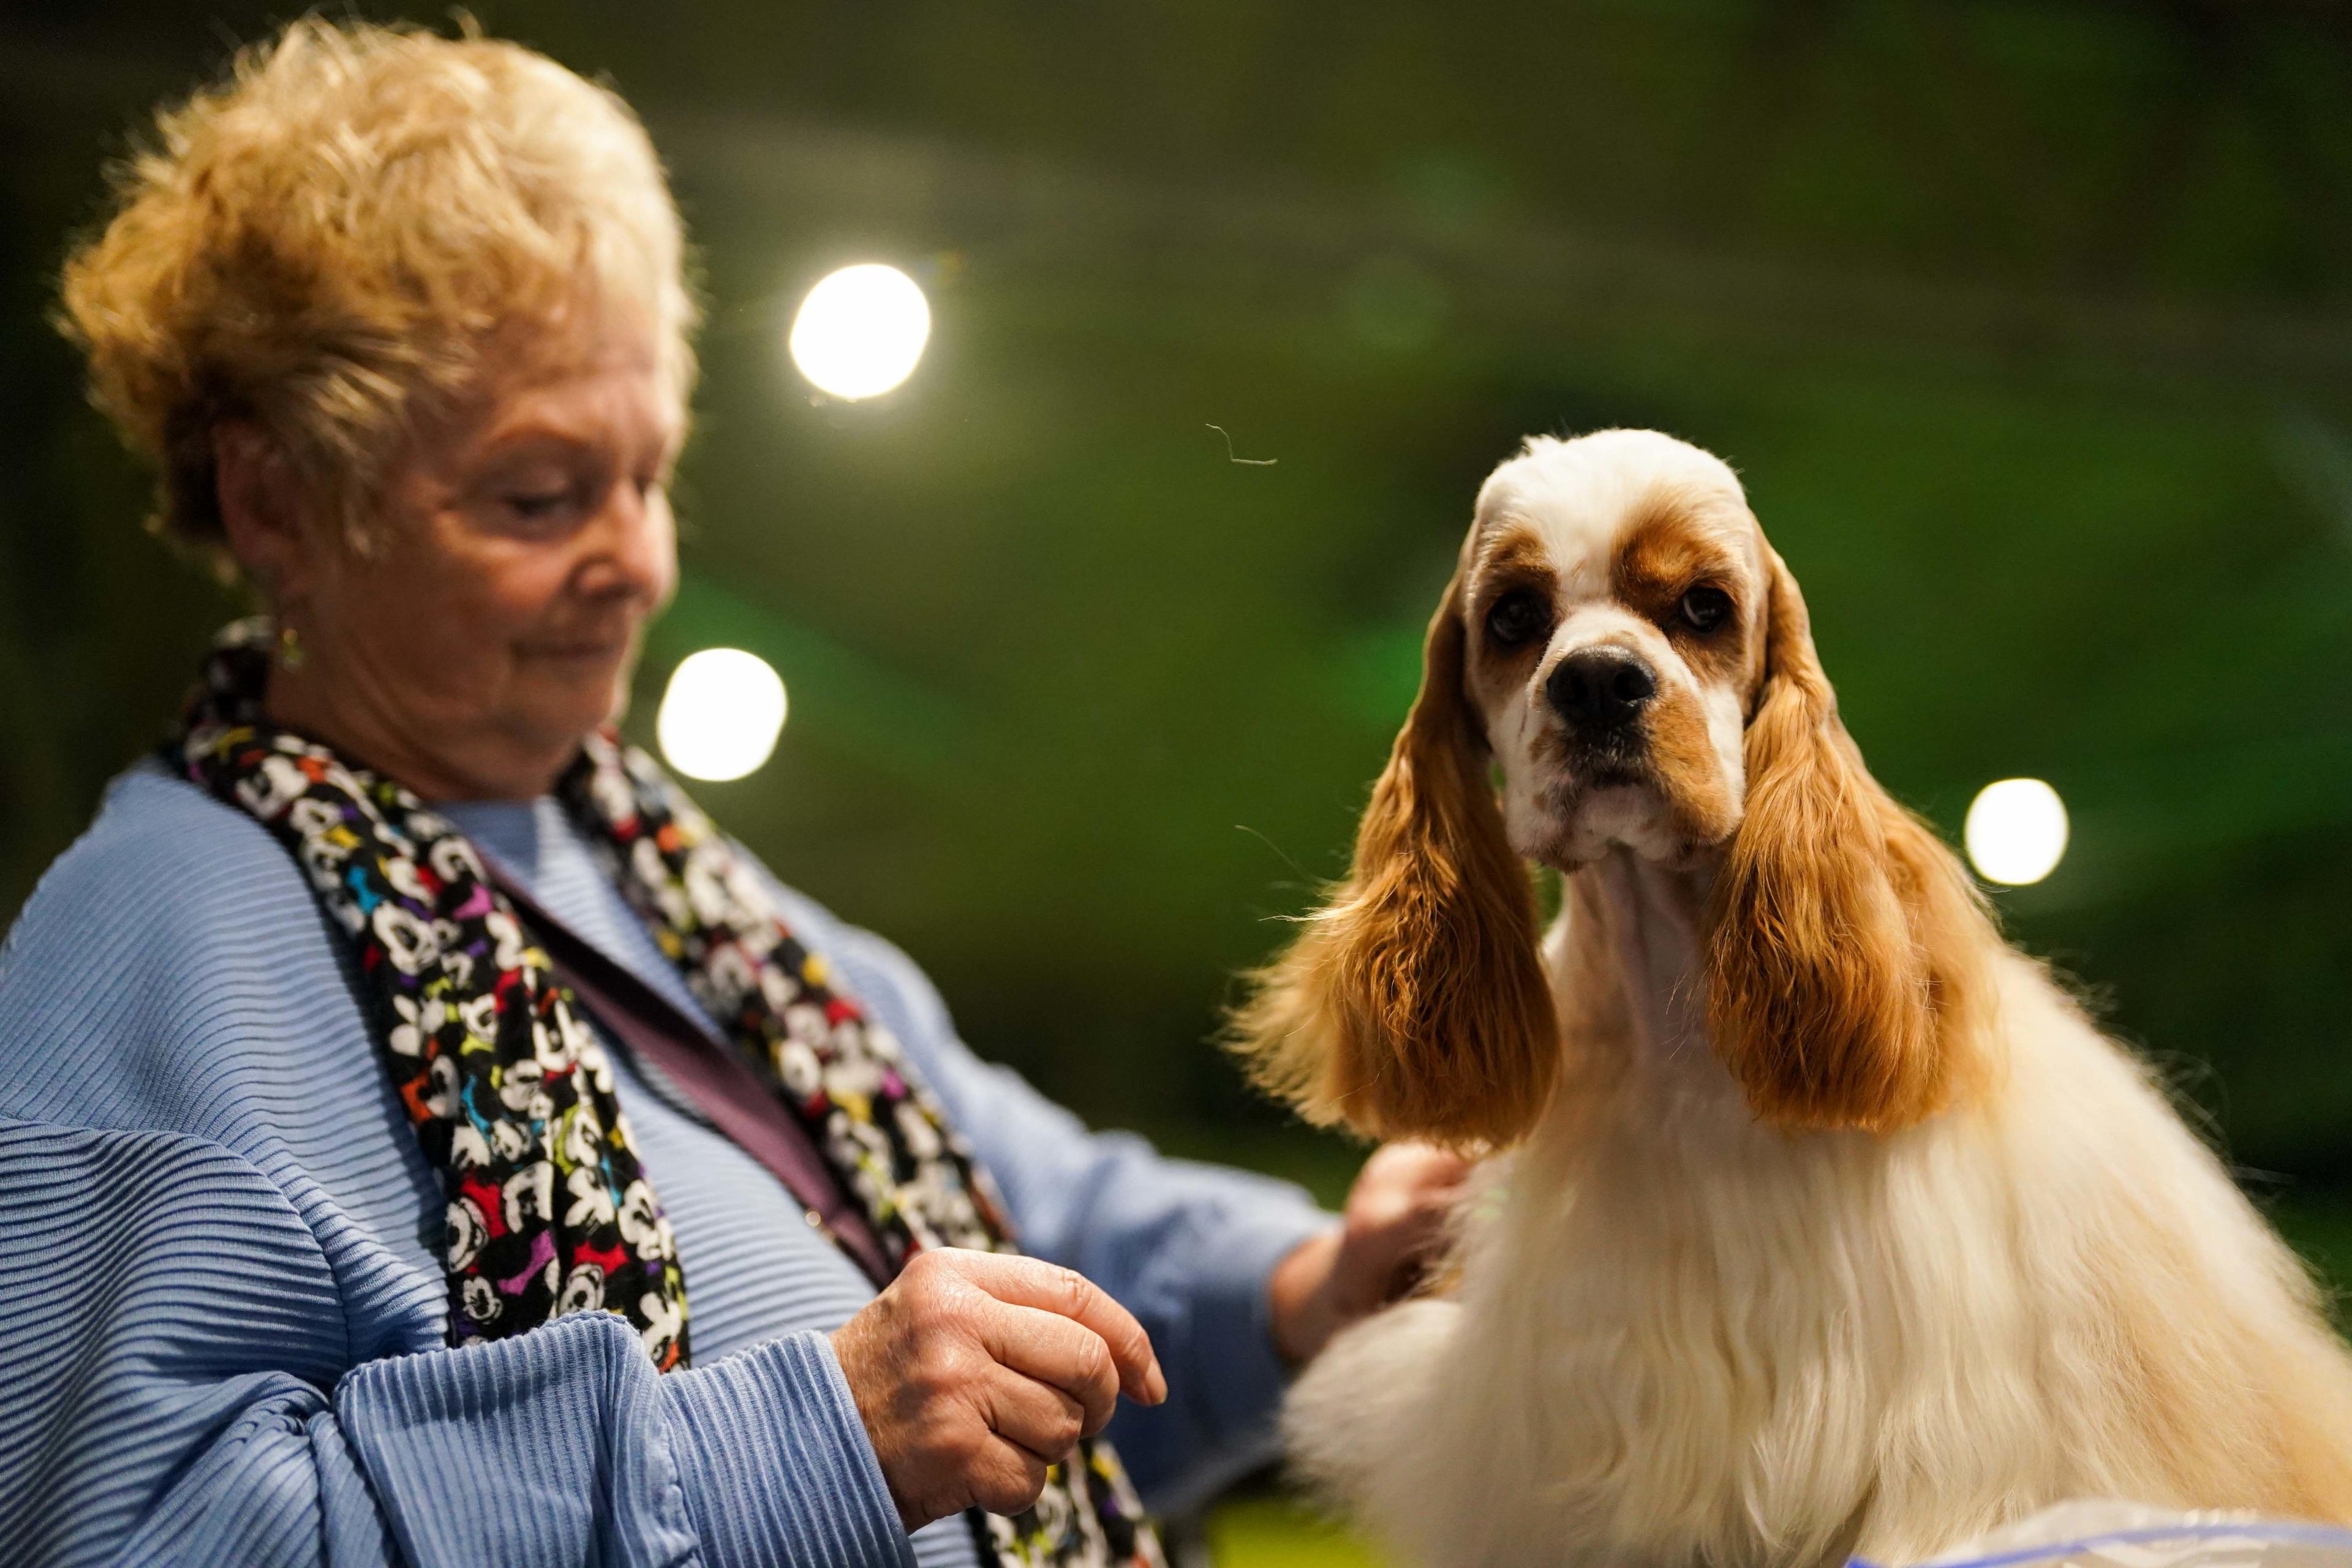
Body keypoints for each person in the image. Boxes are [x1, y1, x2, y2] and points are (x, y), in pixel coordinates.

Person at [0, 21, 1466, 1568]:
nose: (641, 559)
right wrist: (813, 1438)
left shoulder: (685, 892)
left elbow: (1044, 1218)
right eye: (538, 494)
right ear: (279, 501)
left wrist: (1308, 1284)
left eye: (652, 475)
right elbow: (131, 1528)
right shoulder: (156, 939)